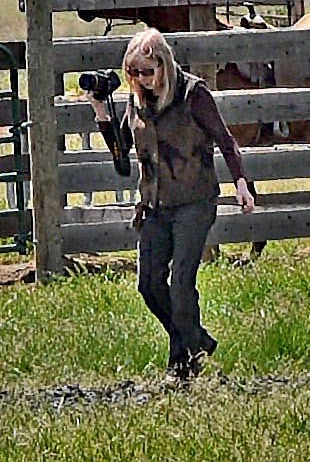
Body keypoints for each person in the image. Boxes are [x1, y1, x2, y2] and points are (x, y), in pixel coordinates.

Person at [100, 25, 259, 381]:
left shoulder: (193, 93)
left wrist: (241, 182)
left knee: (182, 281)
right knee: (149, 285)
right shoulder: (136, 99)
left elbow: (225, 139)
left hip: (194, 200)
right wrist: (101, 114)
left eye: (147, 71)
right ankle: (195, 340)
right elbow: (122, 158)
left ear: (164, 65)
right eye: (134, 73)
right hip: (155, 205)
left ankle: (181, 364)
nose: (141, 79)